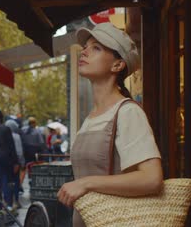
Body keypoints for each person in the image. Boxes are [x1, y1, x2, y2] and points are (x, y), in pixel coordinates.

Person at [57, 22, 162, 227]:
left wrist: (86, 183)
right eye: (86, 47)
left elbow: (152, 178)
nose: (84, 52)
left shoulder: (127, 112)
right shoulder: (91, 117)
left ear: (117, 65)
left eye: (96, 48)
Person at [5, 119, 25, 209]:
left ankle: (8, 202)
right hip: (15, 162)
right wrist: (21, 162)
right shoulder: (16, 136)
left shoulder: (4, 135)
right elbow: (19, 151)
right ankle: (16, 201)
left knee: (6, 182)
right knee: (16, 182)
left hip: (6, 163)